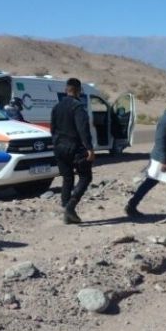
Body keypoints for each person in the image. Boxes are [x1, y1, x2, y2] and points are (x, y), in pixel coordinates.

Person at [51, 78, 95, 224]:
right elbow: (83, 129)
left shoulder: (56, 107)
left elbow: (53, 129)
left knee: (67, 177)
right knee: (85, 177)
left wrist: (56, 143)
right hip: (74, 148)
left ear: (66, 90)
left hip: (59, 147)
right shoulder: (78, 107)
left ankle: (66, 208)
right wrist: (89, 148)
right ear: (79, 90)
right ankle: (70, 207)